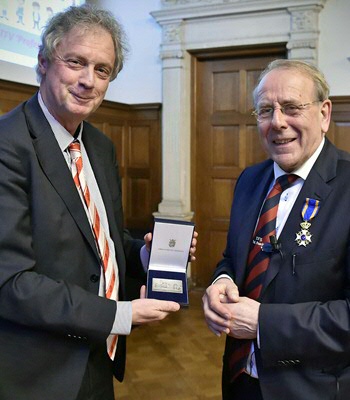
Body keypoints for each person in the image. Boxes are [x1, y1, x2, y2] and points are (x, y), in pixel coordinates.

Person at [0, 5, 197, 400]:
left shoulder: (101, 146)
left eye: (102, 70)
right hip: (34, 373)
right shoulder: (7, 144)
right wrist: (119, 314)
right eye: (76, 62)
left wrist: (145, 256)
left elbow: (99, 239)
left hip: (96, 359)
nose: (88, 80)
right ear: (42, 63)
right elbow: (10, 283)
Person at [202, 59, 350, 400]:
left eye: (292, 108)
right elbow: (233, 259)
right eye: (266, 110)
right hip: (240, 380)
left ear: (324, 114)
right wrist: (220, 280)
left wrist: (264, 325)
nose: (278, 122)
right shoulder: (250, 180)